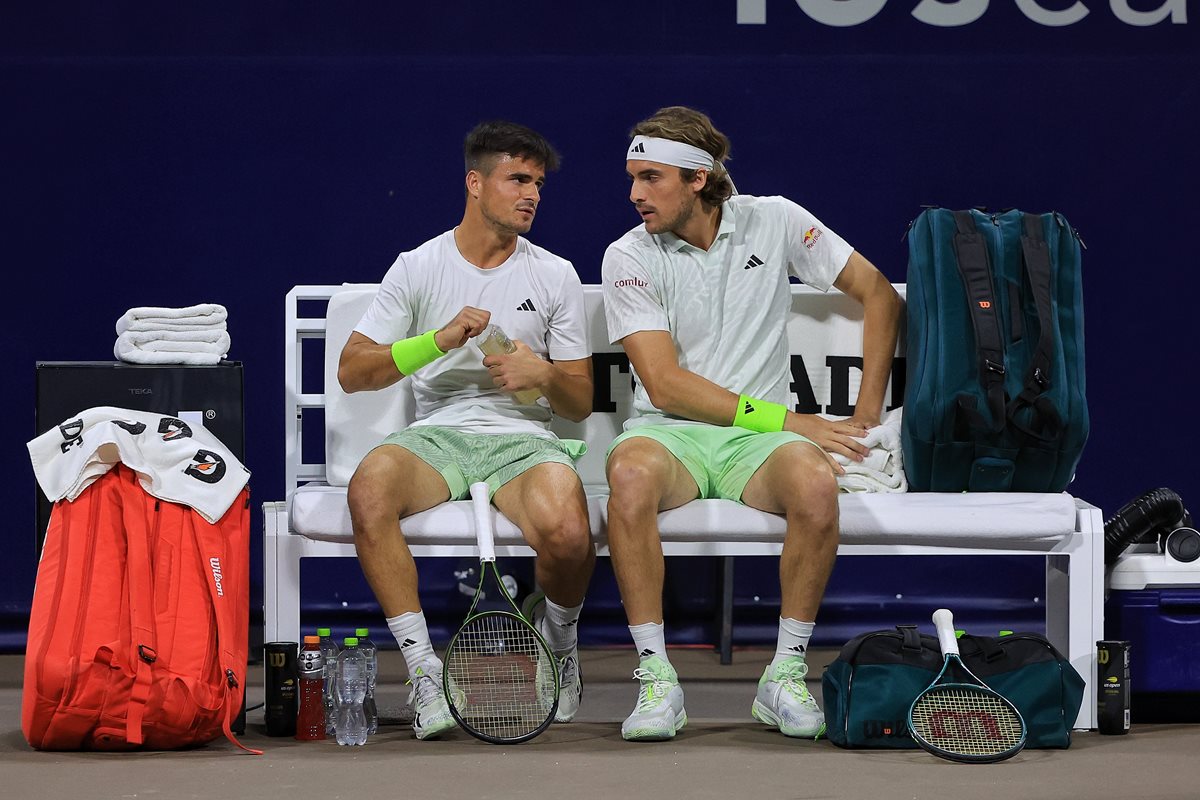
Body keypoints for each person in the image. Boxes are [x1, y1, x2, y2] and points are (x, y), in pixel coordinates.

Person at [601, 106, 901, 742]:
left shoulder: (777, 220)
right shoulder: (627, 255)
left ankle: (784, 674)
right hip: (670, 434)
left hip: (757, 446)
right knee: (627, 475)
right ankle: (657, 678)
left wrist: (866, 415)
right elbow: (665, 385)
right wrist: (793, 420)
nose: (634, 195)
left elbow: (879, 294)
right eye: (632, 178)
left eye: (650, 178)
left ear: (698, 179)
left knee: (815, 485)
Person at [339, 121, 595, 740]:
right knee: (369, 490)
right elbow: (353, 371)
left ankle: (559, 644)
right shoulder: (418, 266)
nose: (532, 195)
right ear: (475, 183)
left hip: (523, 438)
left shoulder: (555, 274)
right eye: (518, 179)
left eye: (538, 184)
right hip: (439, 436)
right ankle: (424, 671)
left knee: (568, 534)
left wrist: (543, 373)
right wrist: (438, 340)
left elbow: (581, 401)